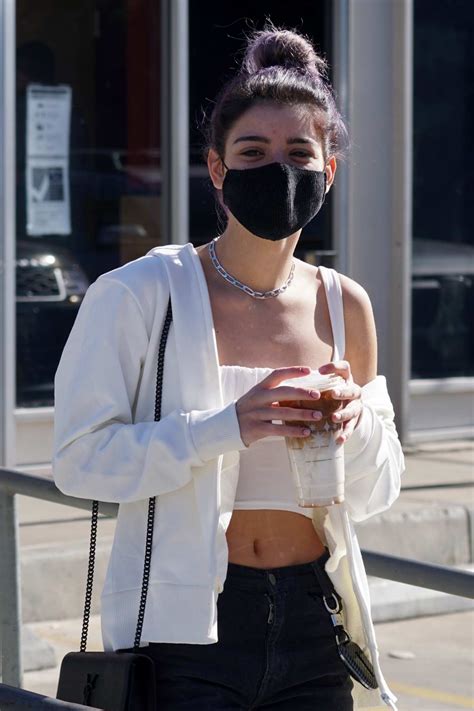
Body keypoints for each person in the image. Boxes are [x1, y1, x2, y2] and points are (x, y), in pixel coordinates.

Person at [53, 23, 405, 711]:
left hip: (316, 621)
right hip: (182, 637)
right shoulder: (139, 294)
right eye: (253, 151)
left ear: (327, 170)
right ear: (217, 169)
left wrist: (357, 424)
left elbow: (378, 490)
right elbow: (78, 461)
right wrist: (226, 425)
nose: (278, 167)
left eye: (299, 151)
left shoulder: (345, 305)